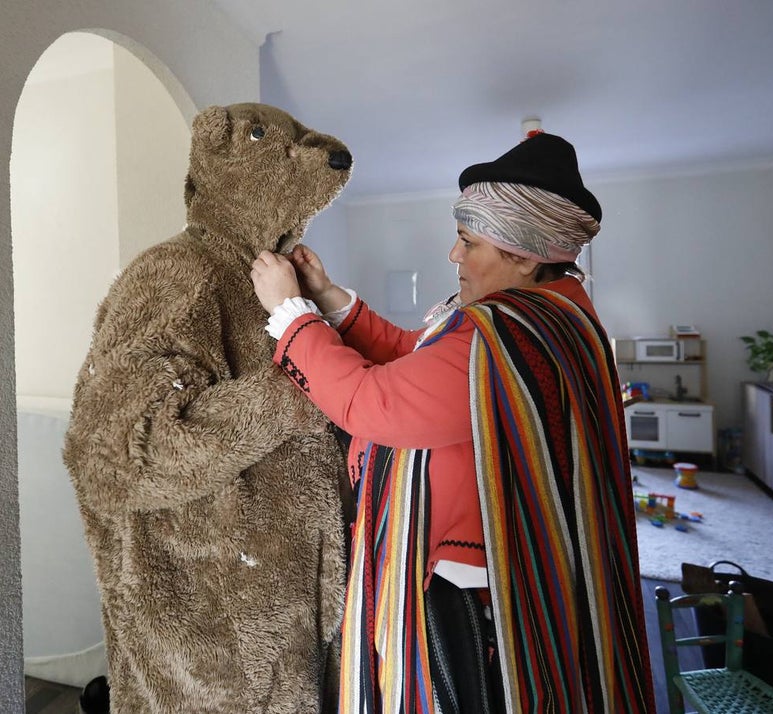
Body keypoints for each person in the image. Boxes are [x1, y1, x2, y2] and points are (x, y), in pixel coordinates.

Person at [249, 133, 655, 713]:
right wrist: (330, 300)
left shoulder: (502, 335)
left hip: (471, 594)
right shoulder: (555, 314)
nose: (454, 256)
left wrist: (290, 315)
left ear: (524, 253)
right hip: (507, 564)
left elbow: (374, 403)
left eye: (468, 242)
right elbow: (419, 360)